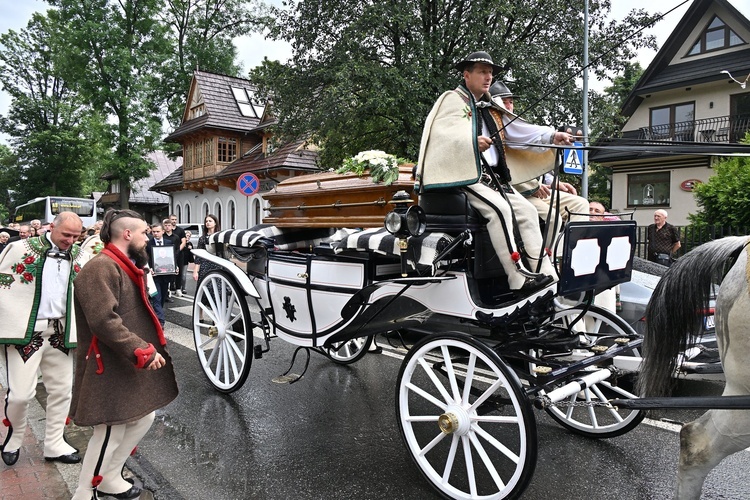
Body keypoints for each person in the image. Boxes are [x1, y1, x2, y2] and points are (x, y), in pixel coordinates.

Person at [417, 51, 572, 295]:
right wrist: (470, 142)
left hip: (493, 178)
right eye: (482, 71)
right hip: (462, 177)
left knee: (528, 211)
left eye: (490, 72)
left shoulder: (489, 107)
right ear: (466, 75)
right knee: (498, 210)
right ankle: (517, 276)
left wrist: (552, 136)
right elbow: (442, 136)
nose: (488, 77)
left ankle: (544, 272)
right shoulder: (452, 100)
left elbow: (518, 132)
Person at [69, 209, 178, 500]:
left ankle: (109, 478)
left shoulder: (121, 264)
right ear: (127, 234)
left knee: (143, 418)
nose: (147, 238)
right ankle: (84, 492)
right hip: (107, 362)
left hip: (121, 361)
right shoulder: (100, 268)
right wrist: (139, 349)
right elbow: (104, 321)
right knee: (109, 431)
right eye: (144, 232)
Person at [0, 212, 88, 466]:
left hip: (61, 332)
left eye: (75, 236)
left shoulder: (80, 254)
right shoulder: (17, 249)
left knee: (62, 391)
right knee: (20, 395)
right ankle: (14, 437)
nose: (70, 240)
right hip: (26, 333)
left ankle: (54, 444)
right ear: (52, 228)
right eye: (66, 235)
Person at [490, 81, 589, 248]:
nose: (509, 105)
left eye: (511, 101)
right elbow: (505, 166)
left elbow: (532, 158)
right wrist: (535, 186)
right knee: (553, 218)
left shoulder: (517, 125)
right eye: (504, 101)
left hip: (536, 189)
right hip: (516, 191)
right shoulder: (494, 126)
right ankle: (549, 261)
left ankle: (573, 253)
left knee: (580, 204)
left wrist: (553, 182)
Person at [147, 223, 176, 324]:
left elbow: (172, 257)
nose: (155, 233)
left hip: (166, 275)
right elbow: (146, 258)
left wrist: (175, 267)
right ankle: (160, 322)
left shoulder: (169, 242)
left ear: (163, 231)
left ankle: (156, 315)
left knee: (163, 297)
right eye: (153, 232)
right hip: (154, 276)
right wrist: (149, 268)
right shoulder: (148, 244)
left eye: (158, 231)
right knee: (156, 298)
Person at [192, 214, 221, 284]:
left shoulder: (220, 237)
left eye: (210, 221)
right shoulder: (202, 238)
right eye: (206, 221)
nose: (208, 222)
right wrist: (195, 271)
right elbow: (198, 256)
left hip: (218, 265)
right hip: (205, 266)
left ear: (215, 223)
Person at [166, 215, 187, 297]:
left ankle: (178, 288)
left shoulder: (180, 231)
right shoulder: (164, 233)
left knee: (179, 272)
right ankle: (170, 289)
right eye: (172, 219)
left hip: (179, 254)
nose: (174, 221)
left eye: (175, 219)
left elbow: (183, 242)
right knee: (168, 271)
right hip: (168, 256)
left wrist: (177, 252)